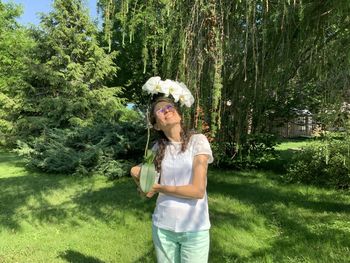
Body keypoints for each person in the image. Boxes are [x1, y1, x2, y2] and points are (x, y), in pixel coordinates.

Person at [130, 95, 213, 263]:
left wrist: (159, 188)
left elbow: (197, 190)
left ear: (179, 115)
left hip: (194, 228)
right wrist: (140, 179)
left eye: (169, 107)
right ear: (156, 125)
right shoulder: (157, 148)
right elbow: (139, 174)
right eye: (160, 110)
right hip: (163, 226)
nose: (167, 110)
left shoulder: (198, 141)